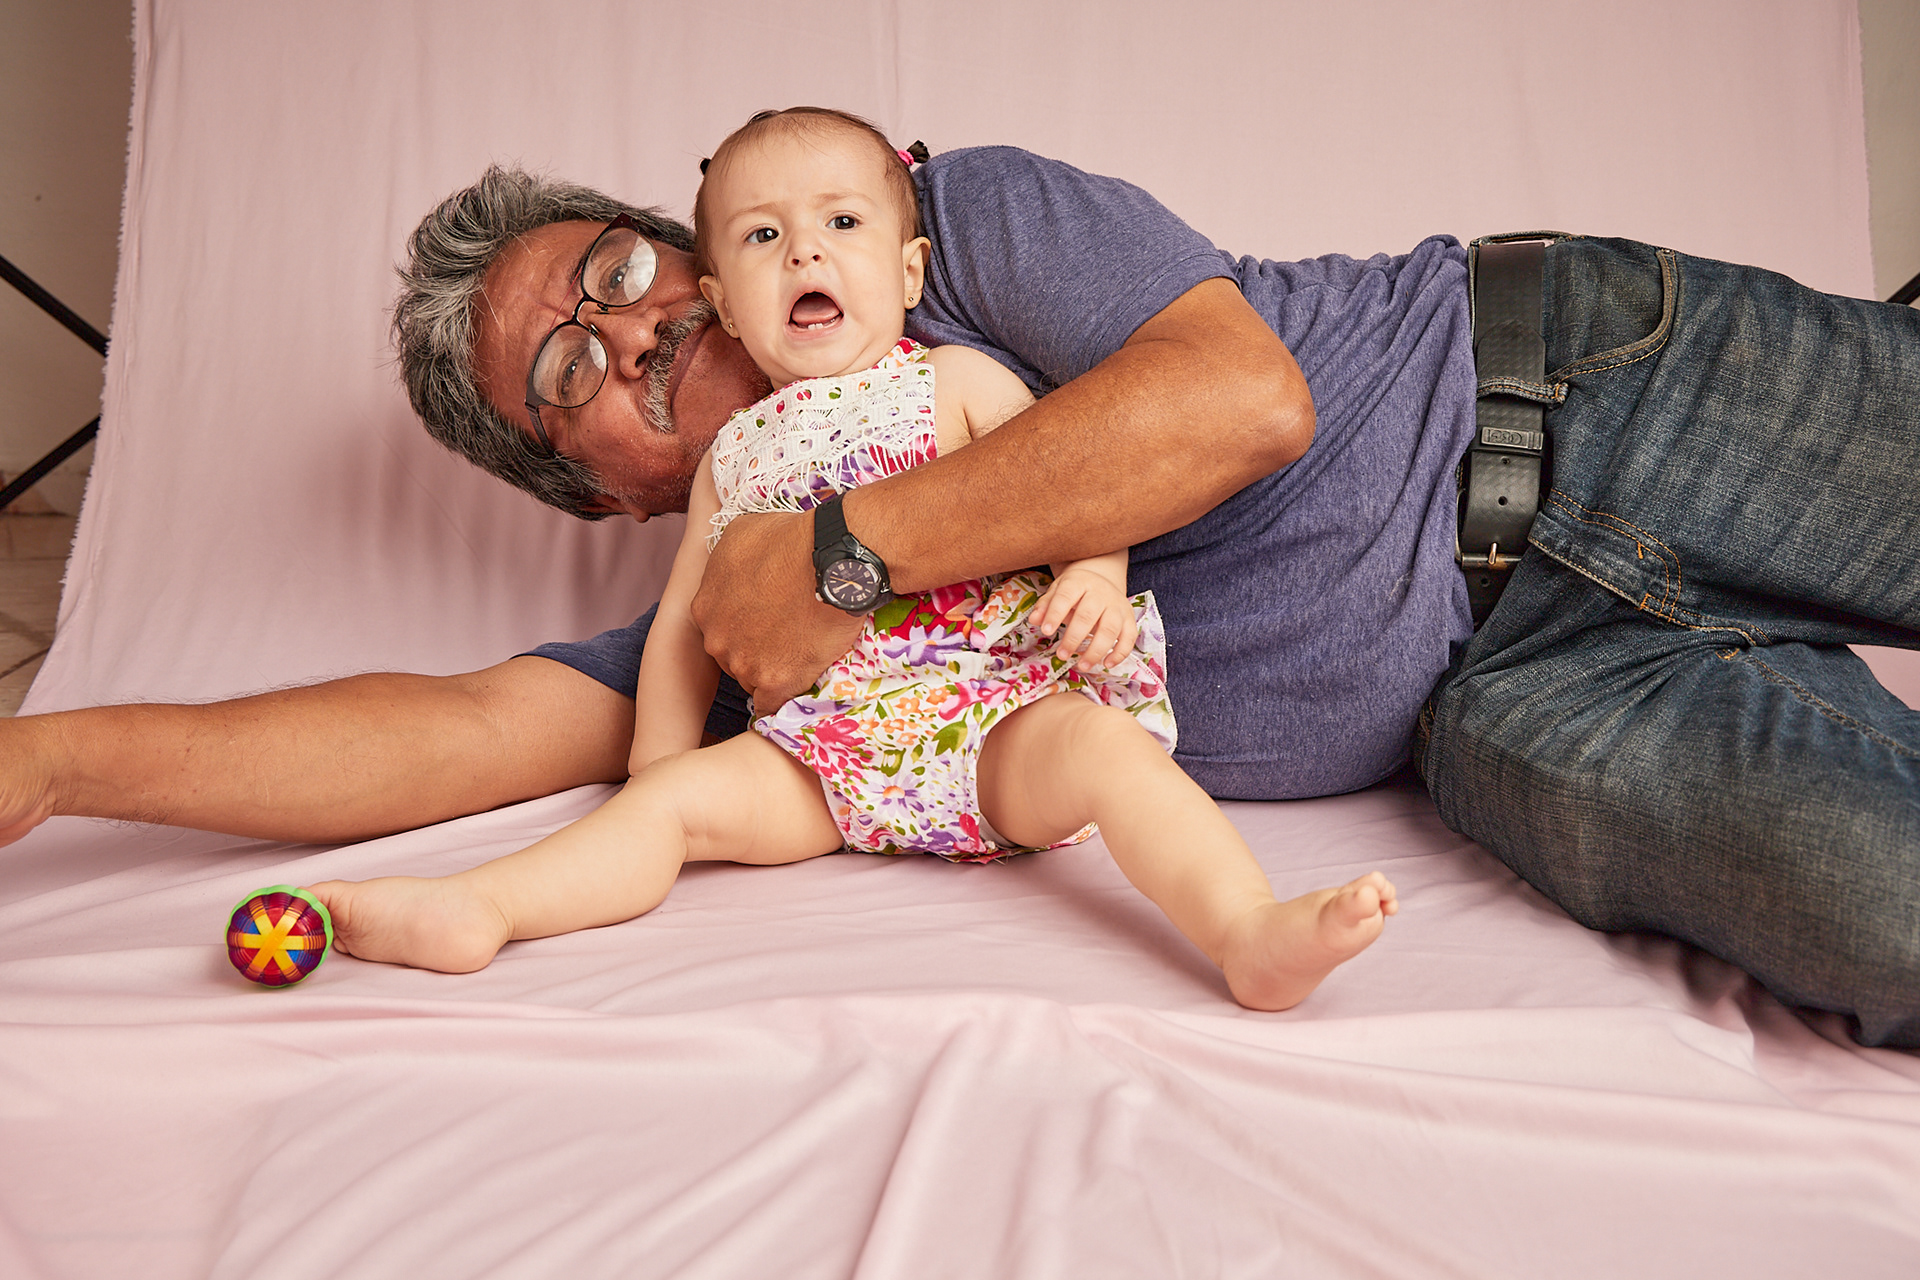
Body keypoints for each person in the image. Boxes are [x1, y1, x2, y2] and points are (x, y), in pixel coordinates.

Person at [0, 118, 1913, 1044]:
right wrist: (64, 762)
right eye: (565, 373)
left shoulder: (946, 221)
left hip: (1584, 388)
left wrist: (845, 561)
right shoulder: (729, 601)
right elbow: (458, 731)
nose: (632, 327)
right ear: (590, 494)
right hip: (1515, 699)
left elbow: (1240, 401)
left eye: (619, 271)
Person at [305, 109, 1398, 1010]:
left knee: (1109, 756)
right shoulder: (733, 460)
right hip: (831, 763)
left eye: (840, 223)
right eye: (763, 238)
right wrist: (658, 773)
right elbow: (685, 624)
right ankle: (484, 907)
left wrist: (1094, 578)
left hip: (998, 719)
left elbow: (1090, 480)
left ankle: (1245, 930)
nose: (807, 253)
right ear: (726, 303)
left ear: (909, 266)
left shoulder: (955, 381)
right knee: (665, 815)